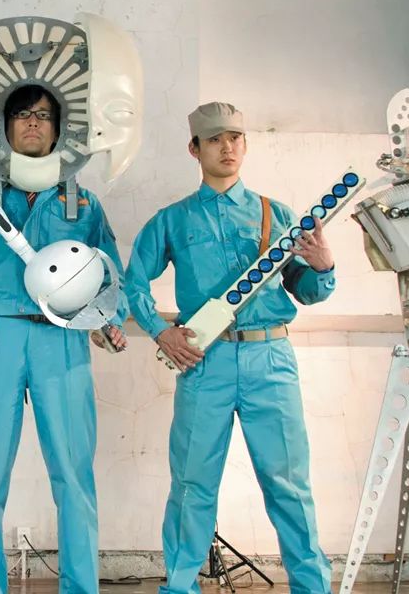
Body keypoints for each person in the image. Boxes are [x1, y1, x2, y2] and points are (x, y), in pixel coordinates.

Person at [0, 84, 127, 594]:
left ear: (58, 129)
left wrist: (107, 322)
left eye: (43, 115)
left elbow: (110, 275)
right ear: (5, 127)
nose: (32, 123)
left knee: (74, 478)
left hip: (63, 340)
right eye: (21, 114)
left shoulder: (83, 202)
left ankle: (81, 588)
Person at [125, 102, 336, 594]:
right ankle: (180, 586)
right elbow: (133, 282)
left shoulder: (277, 215)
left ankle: (313, 588)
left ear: (245, 144)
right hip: (205, 362)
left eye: (235, 138)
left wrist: (323, 266)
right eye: (215, 139)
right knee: (192, 484)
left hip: (271, 359)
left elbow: (306, 291)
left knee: (289, 484)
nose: (227, 147)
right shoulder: (172, 220)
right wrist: (160, 331)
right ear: (194, 149)